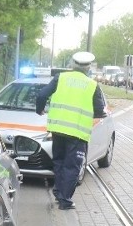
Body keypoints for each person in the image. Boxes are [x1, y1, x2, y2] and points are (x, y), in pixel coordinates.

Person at [35, 51, 108, 210]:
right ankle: (65, 200)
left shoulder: (60, 78)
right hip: (77, 133)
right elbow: (99, 111)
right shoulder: (92, 85)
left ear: (72, 65)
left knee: (59, 162)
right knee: (72, 166)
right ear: (88, 68)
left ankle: (58, 191)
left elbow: (42, 95)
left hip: (58, 130)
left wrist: (39, 110)